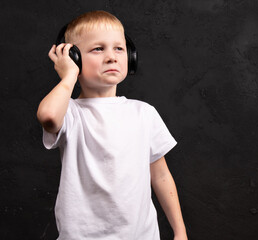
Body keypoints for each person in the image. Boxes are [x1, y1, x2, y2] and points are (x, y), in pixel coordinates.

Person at [36, 10, 187, 240]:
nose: (111, 56)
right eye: (98, 49)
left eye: (119, 48)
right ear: (74, 58)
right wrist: (68, 77)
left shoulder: (144, 113)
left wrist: (180, 231)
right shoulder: (71, 113)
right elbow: (48, 117)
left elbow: (161, 176)